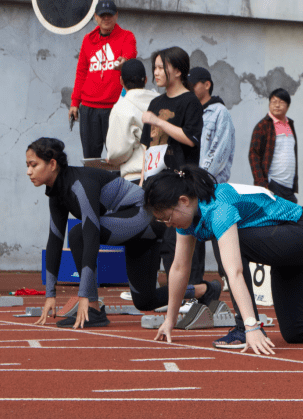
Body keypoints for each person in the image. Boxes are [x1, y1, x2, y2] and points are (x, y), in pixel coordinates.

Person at [143, 165, 303, 352]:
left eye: (167, 217)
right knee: (296, 331)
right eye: (162, 221)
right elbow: (179, 268)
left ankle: (242, 326)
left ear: (183, 201)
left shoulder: (219, 209)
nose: (168, 224)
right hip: (282, 247)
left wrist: (251, 325)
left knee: (226, 240)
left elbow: (235, 271)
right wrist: (170, 320)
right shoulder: (188, 217)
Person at [25, 138, 217, 329]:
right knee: (145, 301)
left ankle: (93, 309)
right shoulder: (56, 194)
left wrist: (84, 295)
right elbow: (55, 240)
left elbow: (91, 235)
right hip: (134, 233)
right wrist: (50, 294)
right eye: (27, 166)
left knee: (78, 234)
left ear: (52, 164)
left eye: (34, 165)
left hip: (144, 218)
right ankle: (204, 290)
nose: (29, 172)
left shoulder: (80, 184)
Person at [140, 47, 205, 288]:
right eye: (155, 67)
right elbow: (148, 147)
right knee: (155, 241)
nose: (156, 72)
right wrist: (143, 180)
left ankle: (193, 292)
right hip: (155, 183)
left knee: (179, 242)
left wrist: (158, 121)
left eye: (161, 67)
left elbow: (191, 138)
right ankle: (163, 294)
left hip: (180, 185)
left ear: (178, 71)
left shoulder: (190, 101)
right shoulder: (155, 102)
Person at [68, 0, 136, 159]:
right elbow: (81, 72)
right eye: (102, 15)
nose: (106, 18)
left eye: (110, 15)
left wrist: (125, 62)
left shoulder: (126, 36)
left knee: (119, 156)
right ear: (95, 17)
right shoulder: (88, 39)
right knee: (90, 158)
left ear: (116, 15)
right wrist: (74, 102)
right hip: (88, 107)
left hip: (115, 107)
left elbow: (130, 54)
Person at [104, 60, 156, 182]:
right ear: (146, 80)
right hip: (163, 175)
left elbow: (117, 152)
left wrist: (112, 159)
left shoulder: (121, 107)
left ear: (121, 81)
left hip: (136, 176)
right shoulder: (160, 100)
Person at [248, 88, 298, 203]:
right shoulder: (263, 126)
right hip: (272, 184)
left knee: (292, 212)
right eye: (274, 102)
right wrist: (262, 184)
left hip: (288, 186)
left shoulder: (290, 124)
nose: (277, 105)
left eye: (281, 102)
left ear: (288, 106)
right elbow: (253, 155)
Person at [189, 67, 235, 185]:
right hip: (189, 183)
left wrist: (200, 179)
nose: (189, 89)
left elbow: (219, 151)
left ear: (207, 85)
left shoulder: (220, 112)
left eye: (193, 85)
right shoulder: (190, 112)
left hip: (210, 185)